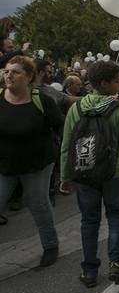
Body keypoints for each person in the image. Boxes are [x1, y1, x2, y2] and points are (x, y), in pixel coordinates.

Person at [59, 60, 119, 287]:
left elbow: (67, 145)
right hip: (112, 172)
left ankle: (89, 271)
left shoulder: (75, 109)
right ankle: (116, 264)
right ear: (104, 84)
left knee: (89, 220)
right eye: (116, 81)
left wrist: (65, 177)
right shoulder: (118, 109)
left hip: (84, 171)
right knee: (115, 215)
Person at [0, 55, 63, 264]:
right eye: (6, 71)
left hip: (38, 163)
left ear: (28, 77)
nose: (9, 75)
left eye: (15, 72)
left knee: (38, 204)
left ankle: (50, 246)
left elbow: (58, 126)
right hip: (5, 165)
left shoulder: (42, 100)